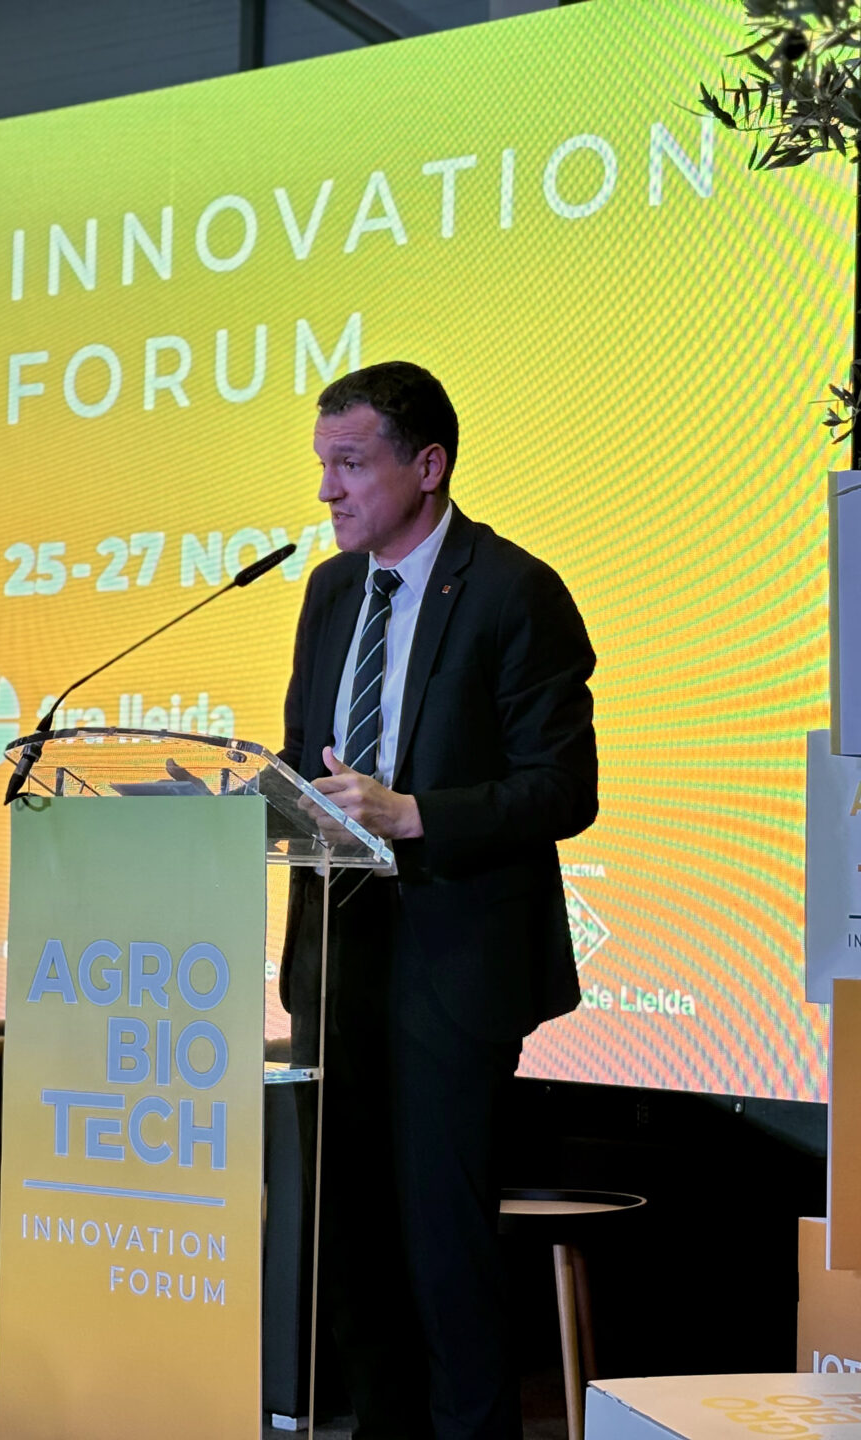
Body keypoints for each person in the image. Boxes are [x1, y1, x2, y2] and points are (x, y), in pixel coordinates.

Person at [279, 360, 599, 1440]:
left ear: (428, 466)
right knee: (352, 1244)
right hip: (337, 965)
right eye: (322, 464)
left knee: (444, 1248)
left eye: (349, 464)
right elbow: (305, 759)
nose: (327, 489)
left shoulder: (513, 591)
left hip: (453, 968)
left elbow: (564, 789)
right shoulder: (330, 592)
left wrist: (413, 813)